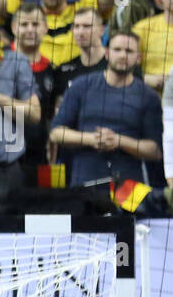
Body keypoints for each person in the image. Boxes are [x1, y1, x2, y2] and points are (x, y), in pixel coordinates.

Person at [49, 30, 164, 191]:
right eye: (117, 50)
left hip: (130, 187)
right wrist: (91, 139)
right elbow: (56, 132)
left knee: (130, 216)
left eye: (129, 51)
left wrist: (118, 141)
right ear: (107, 54)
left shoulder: (148, 97)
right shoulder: (81, 85)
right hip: (83, 183)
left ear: (139, 58)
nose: (123, 55)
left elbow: (155, 150)